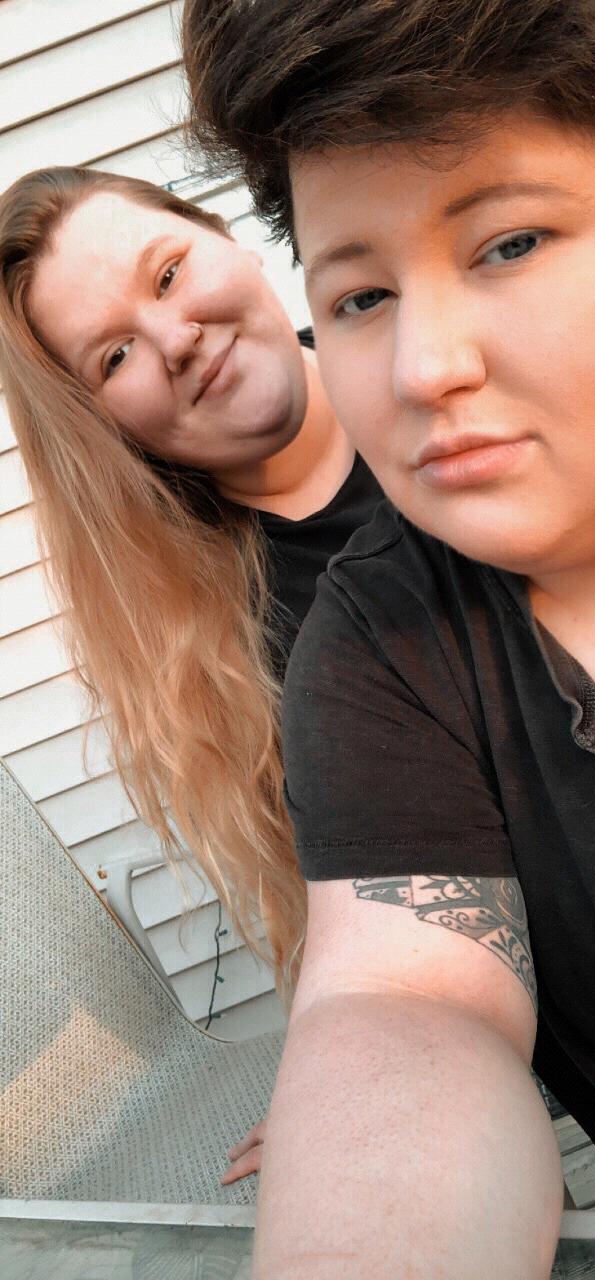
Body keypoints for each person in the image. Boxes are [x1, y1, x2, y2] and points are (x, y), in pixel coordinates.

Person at [182, 0, 595, 1273]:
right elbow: (404, 999)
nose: (424, 366)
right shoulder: (379, 642)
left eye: (509, 241)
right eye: (361, 294)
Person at [0, 166, 382, 1010]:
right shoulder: (219, 641)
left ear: (226, 236)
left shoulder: (432, 361)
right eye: (115, 356)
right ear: (104, 428)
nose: (175, 339)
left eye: (169, 274)